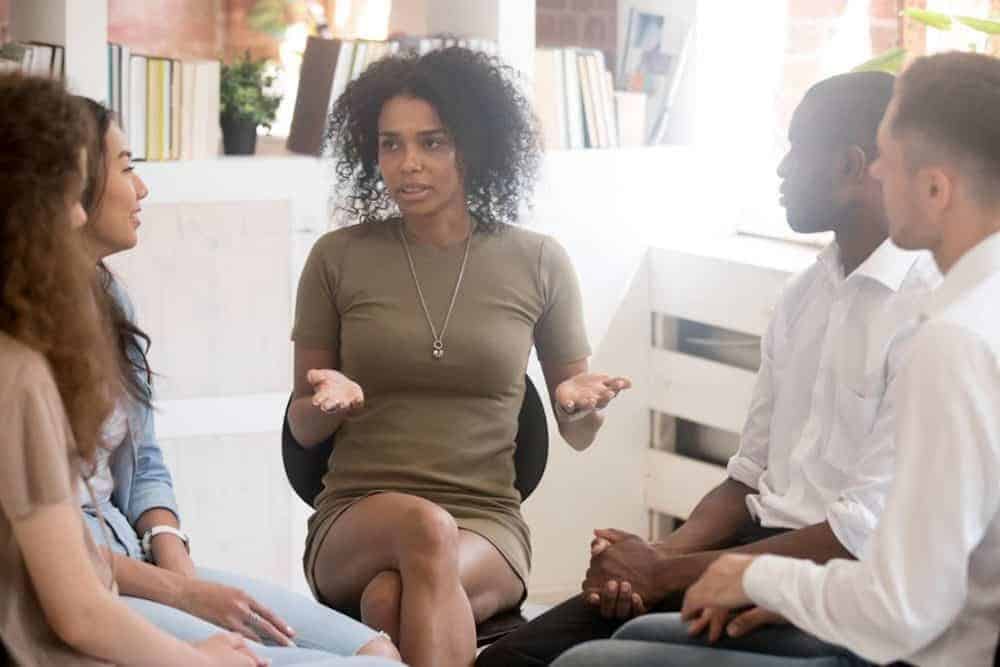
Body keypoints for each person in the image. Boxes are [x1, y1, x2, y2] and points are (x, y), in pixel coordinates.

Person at [479, 71, 940, 667]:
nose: (781, 168)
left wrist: (669, 572)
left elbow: (859, 539)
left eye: (796, 147)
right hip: (755, 547)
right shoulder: (805, 295)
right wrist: (652, 558)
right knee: (508, 660)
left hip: (836, 587)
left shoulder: (930, 315)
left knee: (594, 661)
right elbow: (746, 478)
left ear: (852, 168)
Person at [287, 46, 631, 667]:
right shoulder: (336, 258)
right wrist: (326, 403)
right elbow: (302, 429)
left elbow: (577, 434)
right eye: (391, 145)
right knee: (424, 529)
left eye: (432, 143)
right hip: (356, 515)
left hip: (486, 521)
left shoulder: (540, 261)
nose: (407, 164)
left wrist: (578, 406)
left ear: (474, 146)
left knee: (393, 600)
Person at [671, 51, 1000, 667]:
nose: (873, 173)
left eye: (885, 159)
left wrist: (756, 578)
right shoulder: (973, 312)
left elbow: (905, 607)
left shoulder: (954, 338)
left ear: (933, 188)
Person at [72, 97, 402, 667]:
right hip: (90, 582)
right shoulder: (20, 345)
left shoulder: (109, 300)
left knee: (376, 651)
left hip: (138, 557)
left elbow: (145, 462)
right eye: (126, 167)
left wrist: (169, 549)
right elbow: (48, 552)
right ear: (73, 188)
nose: (143, 189)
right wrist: (182, 593)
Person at [0, 71, 265, 667]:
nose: (76, 216)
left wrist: (173, 558)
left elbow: (143, 467)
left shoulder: (95, 313)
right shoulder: (17, 375)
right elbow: (79, 612)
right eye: (72, 192)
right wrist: (205, 657)